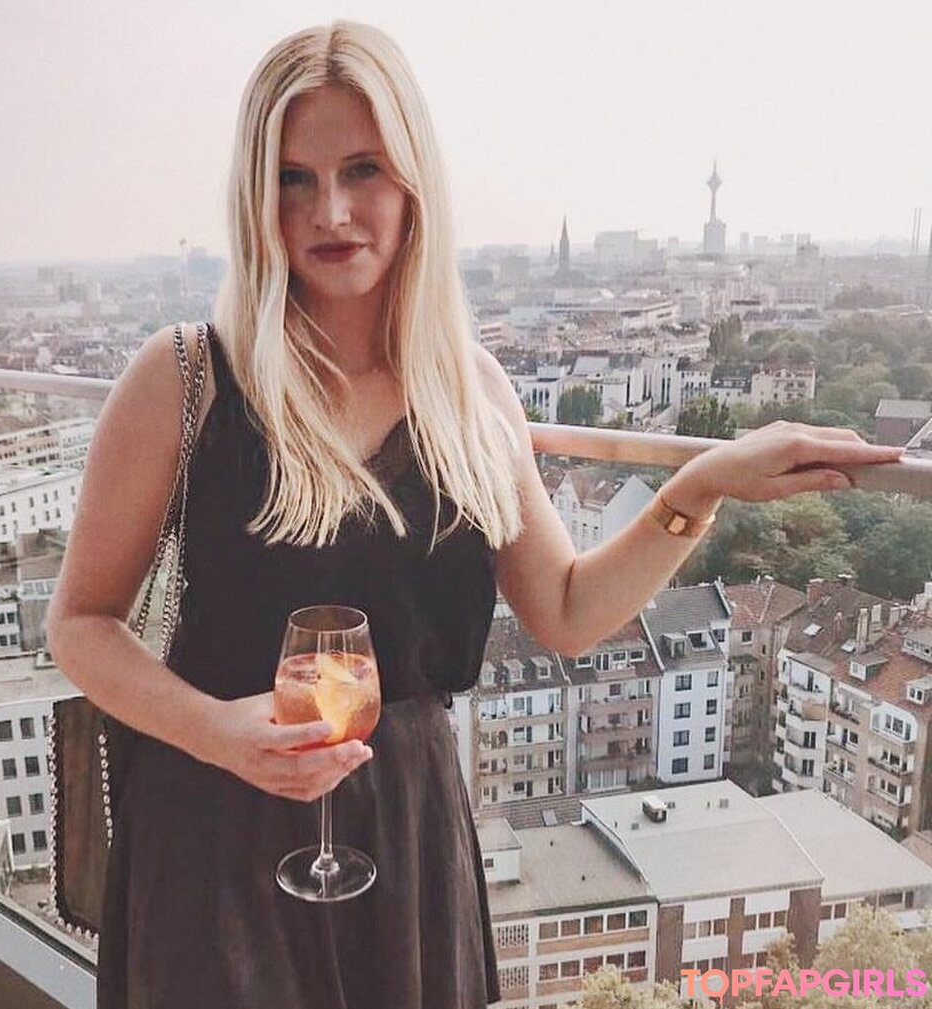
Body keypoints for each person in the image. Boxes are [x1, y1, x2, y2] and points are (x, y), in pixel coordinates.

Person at [45, 20, 905, 1009]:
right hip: (215, 827)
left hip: (406, 834)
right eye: (292, 178)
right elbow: (80, 623)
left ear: (415, 181)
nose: (330, 210)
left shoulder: (470, 392)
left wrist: (699, 485)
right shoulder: (184, 380)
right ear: (254, 196)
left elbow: (567, 610)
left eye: (362, 169)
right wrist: (217, 732)